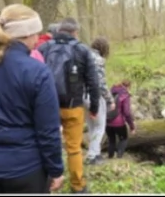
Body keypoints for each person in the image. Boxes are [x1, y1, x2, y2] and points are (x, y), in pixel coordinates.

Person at [0, 5, 64, 194]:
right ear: (27, 34)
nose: (37, 39)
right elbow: (48, 130)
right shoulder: (38, 71)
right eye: (36, 33)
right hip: (23, 169)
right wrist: (56, 169)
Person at [36, 19, 100, 194]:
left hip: (46, 107)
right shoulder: (82, 50)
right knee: (74, 148)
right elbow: (93, 82)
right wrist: (94, 108)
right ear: (75, 32)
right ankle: (78, 186)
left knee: (46, 144)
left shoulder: (43, 48)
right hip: (73, 106)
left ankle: (47, 182)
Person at [85, 37, 114, 165]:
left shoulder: (84, 56)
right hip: (95, 96)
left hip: (82, 96)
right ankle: (93, 155)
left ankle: (95, 153)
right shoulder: (98, 60)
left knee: (92, 125)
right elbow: (101, 83)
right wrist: (110, 100)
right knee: (100, 126)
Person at [105, 80, 135, 159]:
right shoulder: (125, 95)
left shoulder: (110, 92)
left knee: (111, 140)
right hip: (119, 123)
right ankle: (119, 156)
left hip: (107, 121)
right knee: (123, 139)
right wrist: (132, 127)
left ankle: (110, 157)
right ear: (128, 87)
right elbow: (127, 112)